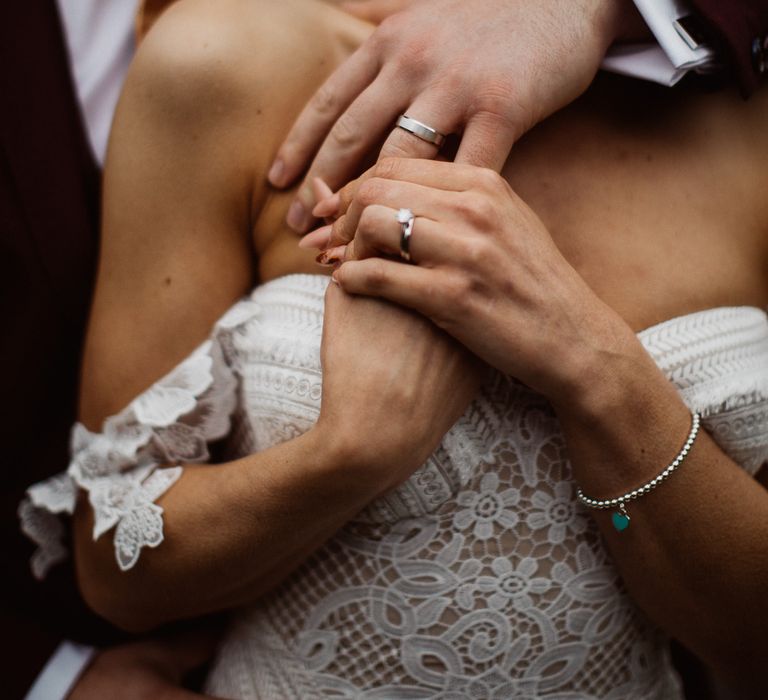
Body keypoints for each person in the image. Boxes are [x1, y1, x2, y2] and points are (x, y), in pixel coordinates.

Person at [19, 0, 768, 698]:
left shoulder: (744, 118)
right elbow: (113, 568)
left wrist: (591, 370)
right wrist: (348, 454)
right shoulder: (228, 57)